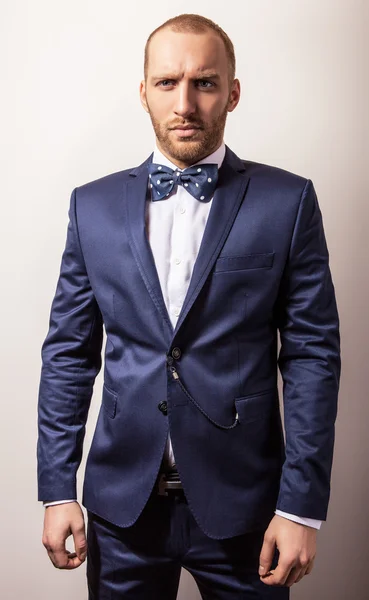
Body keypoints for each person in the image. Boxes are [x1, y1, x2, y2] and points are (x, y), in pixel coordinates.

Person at [38, 13, 340, 599]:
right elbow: (69, 355)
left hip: (247, 509)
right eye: (167, 82)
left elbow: (312, 359)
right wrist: (57, 489)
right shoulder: (91, 207)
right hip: (121, 508)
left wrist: (301, 508)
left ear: (232, 93)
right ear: (143, 92)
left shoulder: (289, 200)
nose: (185, 102)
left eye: (204, 83)